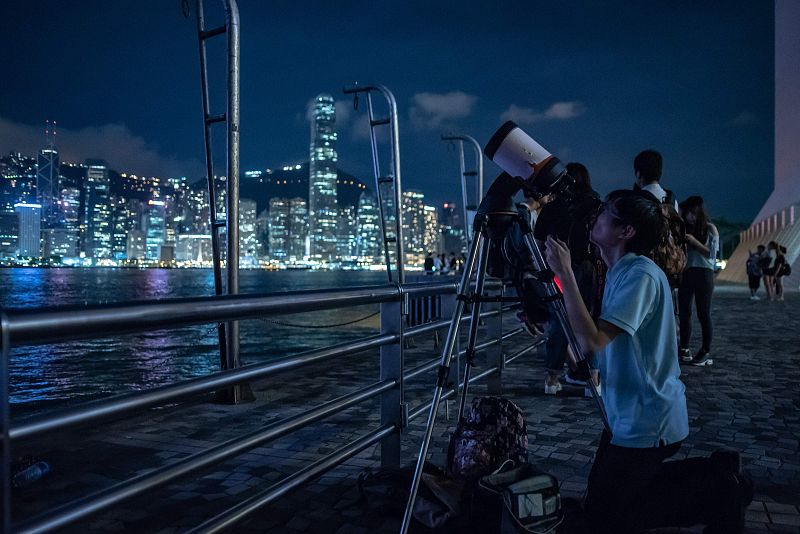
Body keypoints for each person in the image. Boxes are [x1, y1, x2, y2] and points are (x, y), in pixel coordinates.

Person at [544, 189, 752, 534]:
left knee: (613, 518)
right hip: (625, 415)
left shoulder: (640, 275)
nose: (597, 217)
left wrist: (565, 273)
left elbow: (594, 338)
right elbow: (598, 341)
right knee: (601, 506)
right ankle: (716, 471)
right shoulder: (619, 270)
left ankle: (721, 487)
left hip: (647, 418)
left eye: (607, 213)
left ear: (626, 231)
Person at [534, 162, 601, 395]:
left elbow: (539, 238)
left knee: (558, 320)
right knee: (589, 319)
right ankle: (592, 378)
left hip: (560, 269)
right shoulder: (595, 203)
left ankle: (551, 379)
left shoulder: (555, 205)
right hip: (589, 269)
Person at [677, 196, 719, 366]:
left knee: (703, 313)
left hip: (704, 273)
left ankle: (705, 351)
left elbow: (712, 254)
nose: (690, 217)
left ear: (700, 213)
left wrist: (694, 241)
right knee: (684, 313)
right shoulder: (683, 229)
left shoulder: (710, 228)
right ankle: (684, 348)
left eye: (693, 213)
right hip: (686, 273)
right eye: (687, 213)